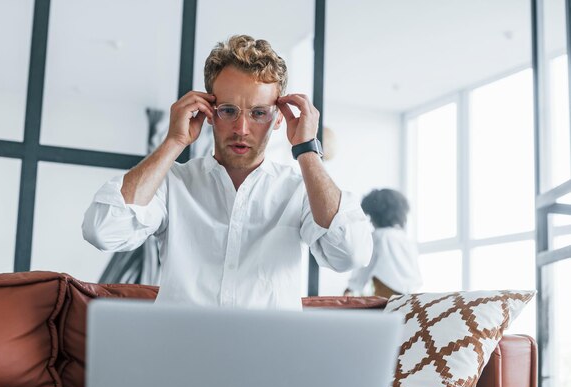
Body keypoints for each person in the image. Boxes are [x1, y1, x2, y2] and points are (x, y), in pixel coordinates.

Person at [82, 35, 373, 310]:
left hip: (270, 358)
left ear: (277, 120)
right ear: (209, 111)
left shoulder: (299, 190)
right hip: (181, 356)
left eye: (258, 113)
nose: (241, 129)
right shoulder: (173, 184)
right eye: (229, 110)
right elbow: (103, 230)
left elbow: (351, 253)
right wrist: (174, 142)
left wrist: (307, 149)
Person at [343, 189, 422, 298]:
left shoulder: (378, 237)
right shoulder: (406, 240)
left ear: (375, 215)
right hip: (411, 297)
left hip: (387, 298)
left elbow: (364, 266)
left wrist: (351, 288)